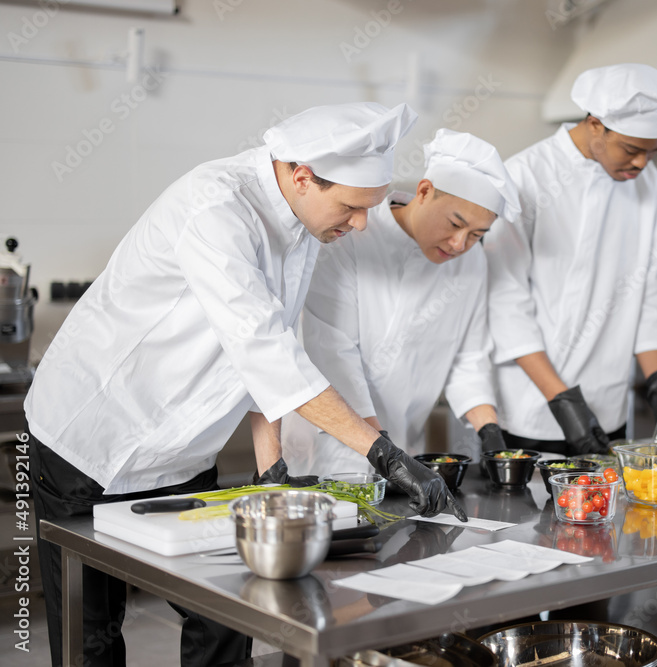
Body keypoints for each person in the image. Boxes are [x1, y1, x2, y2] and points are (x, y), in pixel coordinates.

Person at [25, 102, 466, 667]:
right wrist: (386, 455)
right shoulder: (214, 208)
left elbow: (268, 353)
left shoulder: (306, 224)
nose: (360, 225)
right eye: (353, 208)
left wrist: (269, 469)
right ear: (303, 176)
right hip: (91, 438)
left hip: (183, 453)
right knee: (92, 632)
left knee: (223, 613)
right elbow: (270, 351)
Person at [483, 63, 657, 456]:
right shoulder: (524, 176)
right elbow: (505, 302)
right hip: (534, 405)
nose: (641, 165)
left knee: (605, 515)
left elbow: (649, 284)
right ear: (596, 124)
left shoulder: (649, 185)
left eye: (653, 153)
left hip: (608, 403)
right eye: (631, 150)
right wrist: (562, 400)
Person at [281, 128, 520, 473]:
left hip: (405, 451)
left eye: (476, 236)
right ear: (424, 191)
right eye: (455, 223)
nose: (459, 244)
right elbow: (334, 351)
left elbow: (469, 357)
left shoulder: (472, 262)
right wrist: (380, 448)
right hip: (327, 444)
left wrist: (490, 431)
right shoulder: (352, 235)